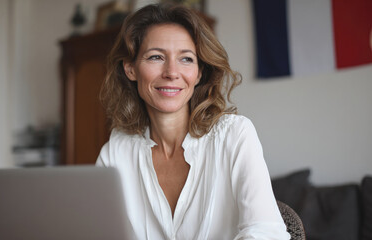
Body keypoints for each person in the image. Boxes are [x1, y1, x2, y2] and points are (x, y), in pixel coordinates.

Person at [96, 3, 290, 239]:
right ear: (130, 69)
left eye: (186, 59)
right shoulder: (116, 152)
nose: (171, 72)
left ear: (198, 73)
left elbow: (266, 233)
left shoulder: (236, 135)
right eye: (156, 57)